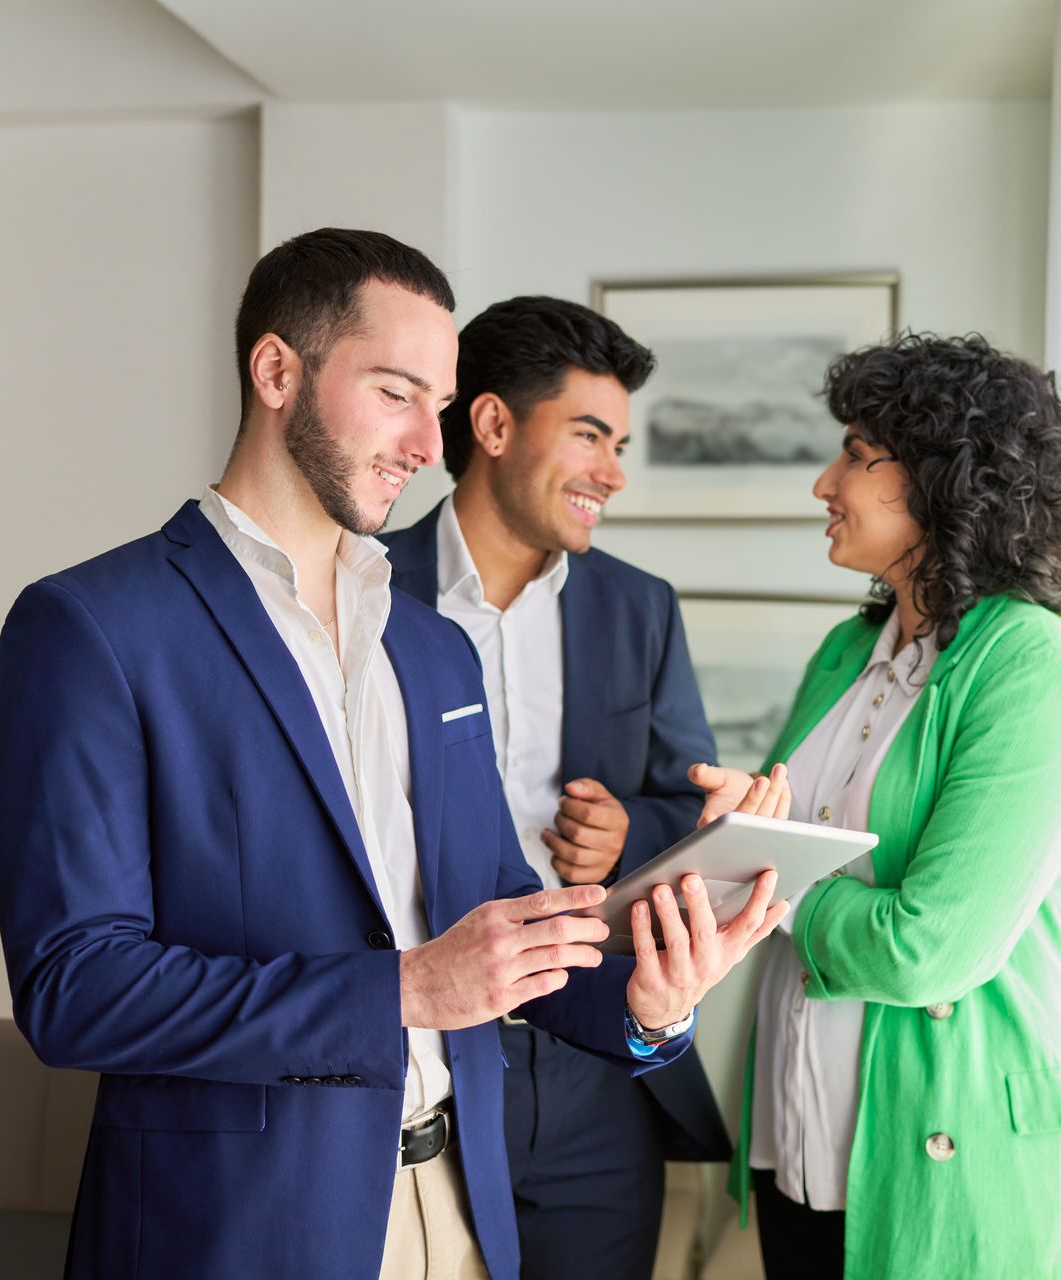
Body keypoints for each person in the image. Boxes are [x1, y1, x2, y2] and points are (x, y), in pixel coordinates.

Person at [0, 228, 787, 1280]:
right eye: (397, 393)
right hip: (236, 1229)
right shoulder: (91, 627)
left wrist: (649, 1002)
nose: (425, 440)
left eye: (439, 405)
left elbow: (503, 918)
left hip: (461, 1215)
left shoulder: (430, 643)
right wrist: (398, 990)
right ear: (277, 370)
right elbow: (75, 986)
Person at [692, 333, 1061, 1277]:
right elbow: (776, 841)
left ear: (942, 476)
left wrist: (774, 882)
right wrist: (739, 832)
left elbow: (930, 949)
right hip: (796, 1157)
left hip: (951, 1173)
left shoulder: (1028, 664)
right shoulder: (849, 649)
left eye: (856, 454)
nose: (824, 484)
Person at [381, 296, 731, 1279]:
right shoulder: (361, 589)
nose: (614, 473)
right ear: (492, 426)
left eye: (617, 442)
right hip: (425, 1059)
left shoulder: (639, 607)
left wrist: (629, 830)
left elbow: (690, 808)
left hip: (595, 1071)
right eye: (589, 434)